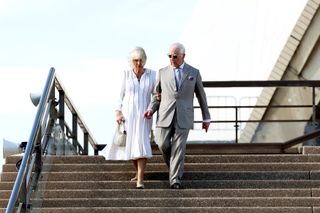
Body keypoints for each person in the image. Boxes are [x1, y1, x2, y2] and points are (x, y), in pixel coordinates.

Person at [144, 42, 211, 189]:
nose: (172, 59)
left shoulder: (194, 72)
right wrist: (150, 109)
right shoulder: (162, 72)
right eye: (169, 56)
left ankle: (175, 180)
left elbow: (201, 96)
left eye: (175, 56)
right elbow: (157, 96)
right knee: (162, 143)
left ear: (183, 56)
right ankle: (176, 169)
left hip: (184, 116)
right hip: (164, 114)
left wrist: (206, 118)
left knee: (179, 147)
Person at [103, 47, 156, 189]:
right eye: (136, 60)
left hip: (145, 116)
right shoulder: (126, 75)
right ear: (131, 61)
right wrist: (118, 112)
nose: (139, 63)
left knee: (142, 145)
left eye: (141, 60)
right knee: (132, 145)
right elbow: (119, 96)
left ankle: (140, 179)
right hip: (128, 116)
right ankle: (137, 173)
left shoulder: (152, 75)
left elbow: (155, 96)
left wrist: (151, 108)